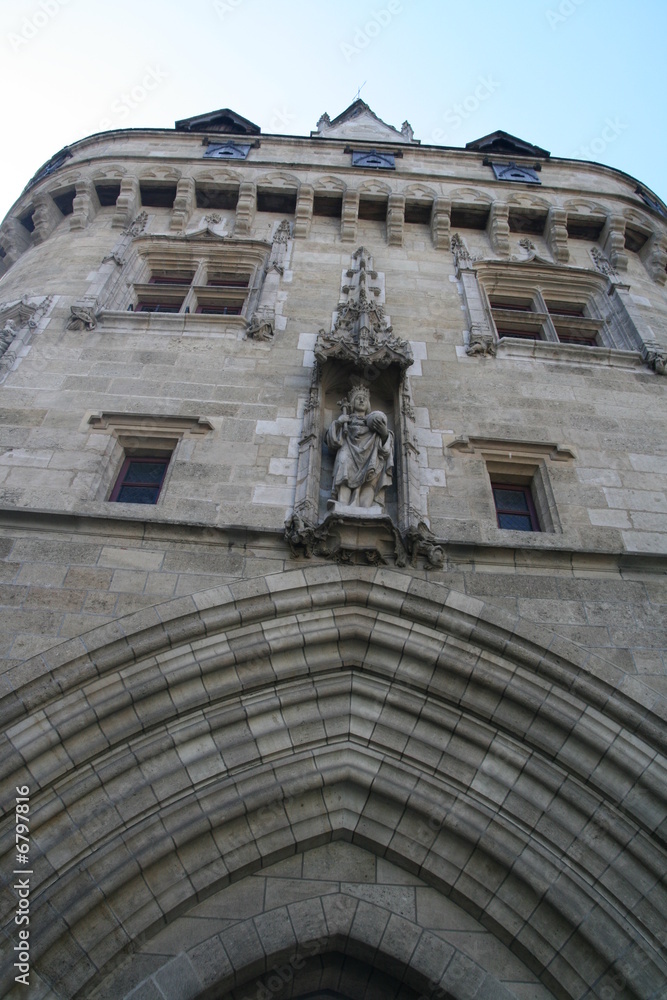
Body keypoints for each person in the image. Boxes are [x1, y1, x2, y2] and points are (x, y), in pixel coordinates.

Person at [326, 386, 394, 509]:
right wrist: (339, 423)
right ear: (352, 403)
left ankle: (365, 508)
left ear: (368, 404)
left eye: (364, 399)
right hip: (348, 450)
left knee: (370, 477)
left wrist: (384, 434)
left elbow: (385, 449)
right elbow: (332, 441)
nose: (361, 400)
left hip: (370, 453)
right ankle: (343, 504)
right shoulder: (346, 420)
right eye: (358, 398)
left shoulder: (373, 420)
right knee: (343, 464)